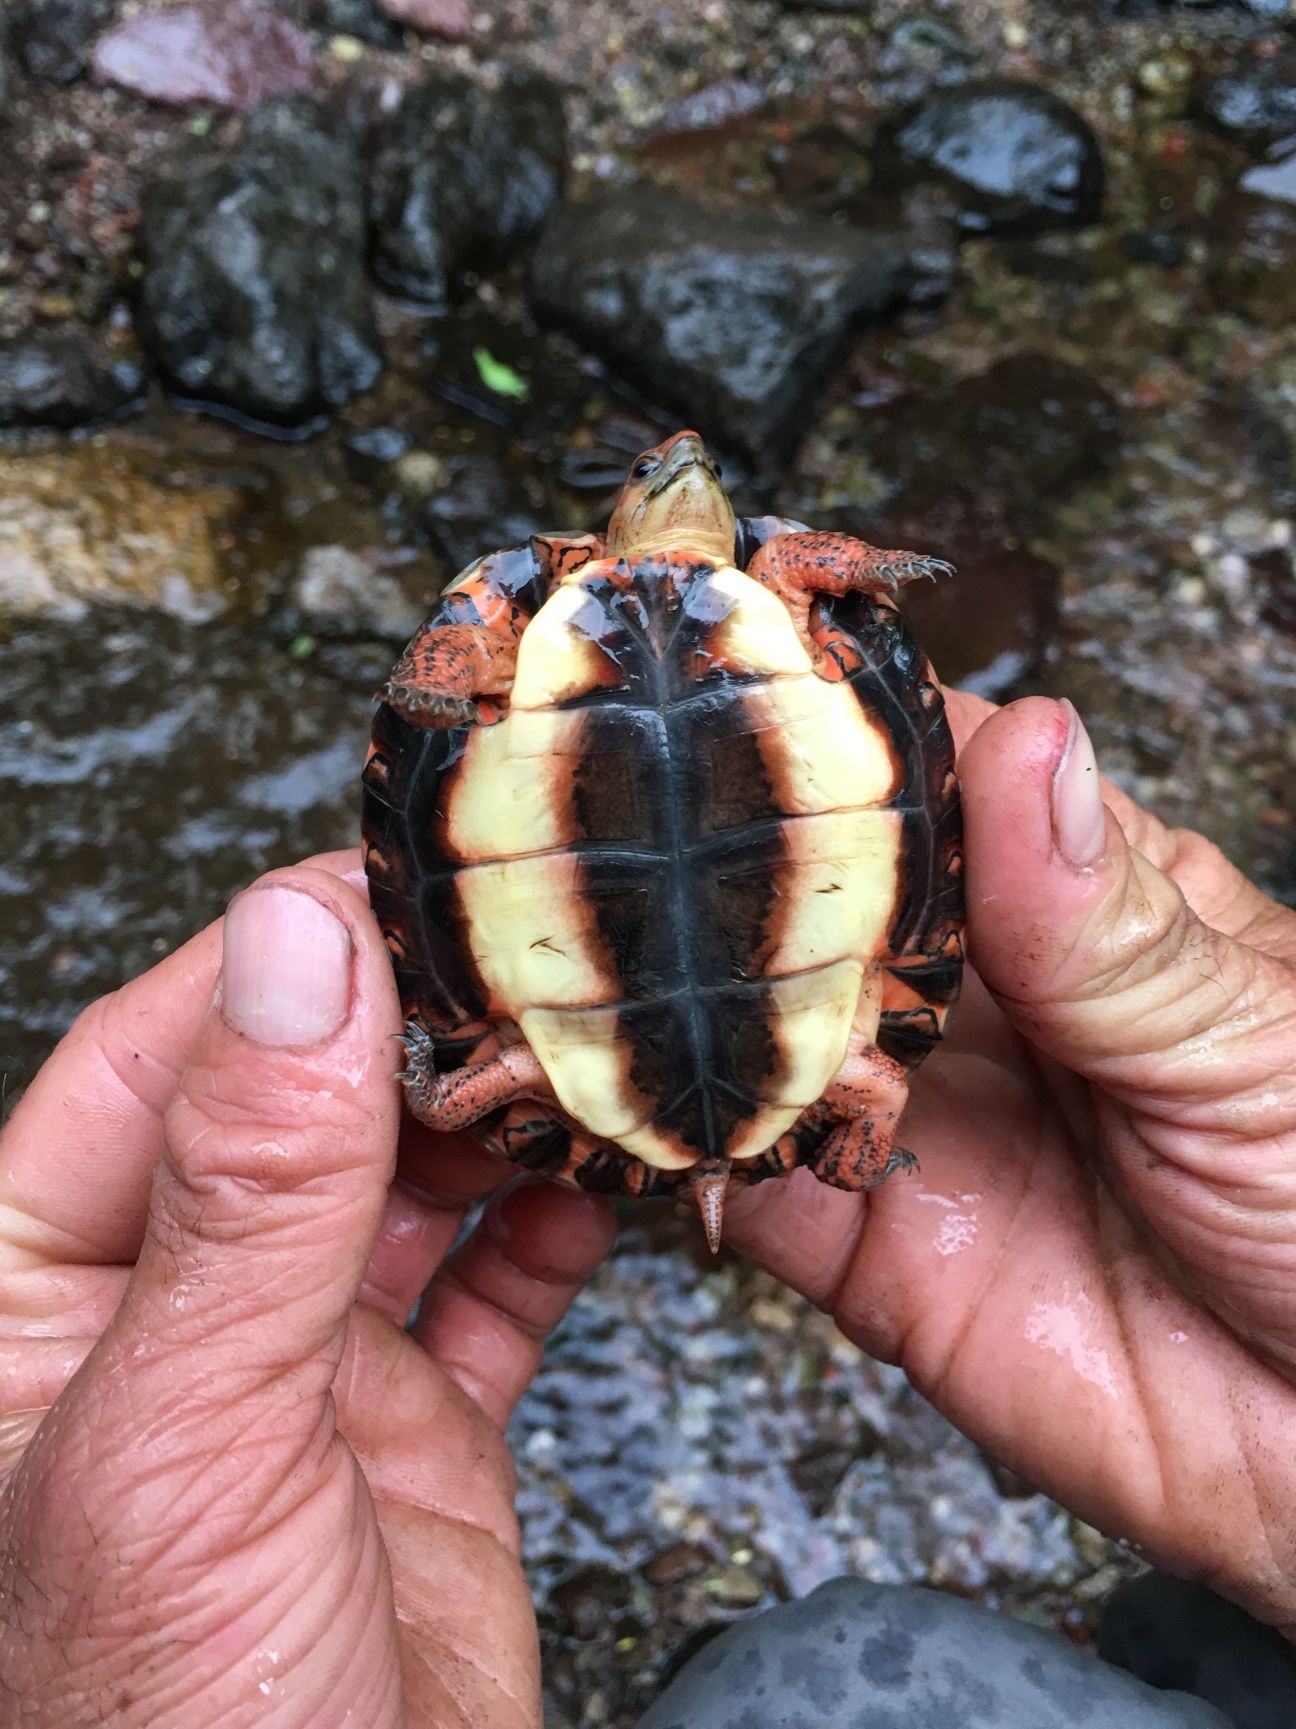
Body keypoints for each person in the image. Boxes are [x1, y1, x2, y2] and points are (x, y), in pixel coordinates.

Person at [1, 692, 1294, 1728]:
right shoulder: (852, 1031)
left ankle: (1179, 1634)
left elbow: (431, 740)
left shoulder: (517, 656)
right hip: (764, 1054)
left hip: (582, 1056)